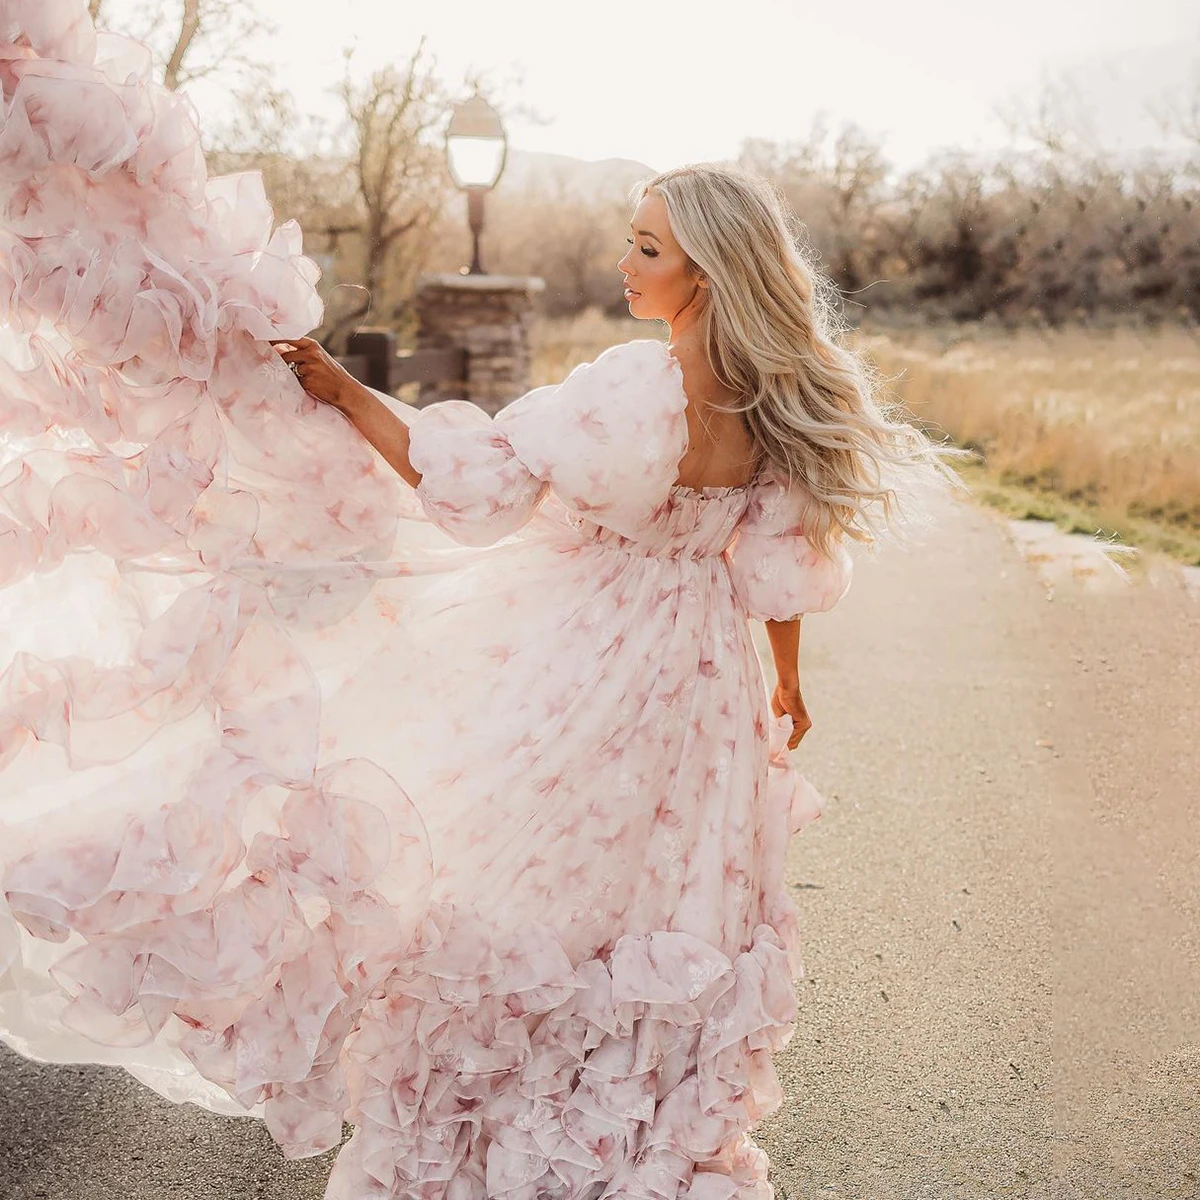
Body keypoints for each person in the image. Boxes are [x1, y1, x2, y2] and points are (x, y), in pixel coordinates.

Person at [0, 7, 968, 1198]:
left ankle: (498, 1141)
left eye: (648, 247)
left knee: (519, 891)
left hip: (588, 667)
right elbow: (776, 574)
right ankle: (628, 1144)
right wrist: (787, 684)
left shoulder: (635, 390)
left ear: (705, 273)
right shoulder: (773, 410)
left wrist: (344, 388)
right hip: (703, 690)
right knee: (658, 910)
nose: (626, 262)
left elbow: (467, 486)